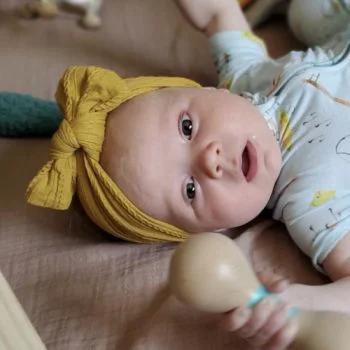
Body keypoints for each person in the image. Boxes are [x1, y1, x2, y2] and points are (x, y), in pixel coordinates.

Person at [26, 0, 350, 349]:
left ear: (204, 90)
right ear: (215, 230)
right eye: (190, 191)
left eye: (186, 126)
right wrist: (297, 303)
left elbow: (216, 12)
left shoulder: (242, 77)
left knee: (307, 12)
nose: (210, 160)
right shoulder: (314, 204)